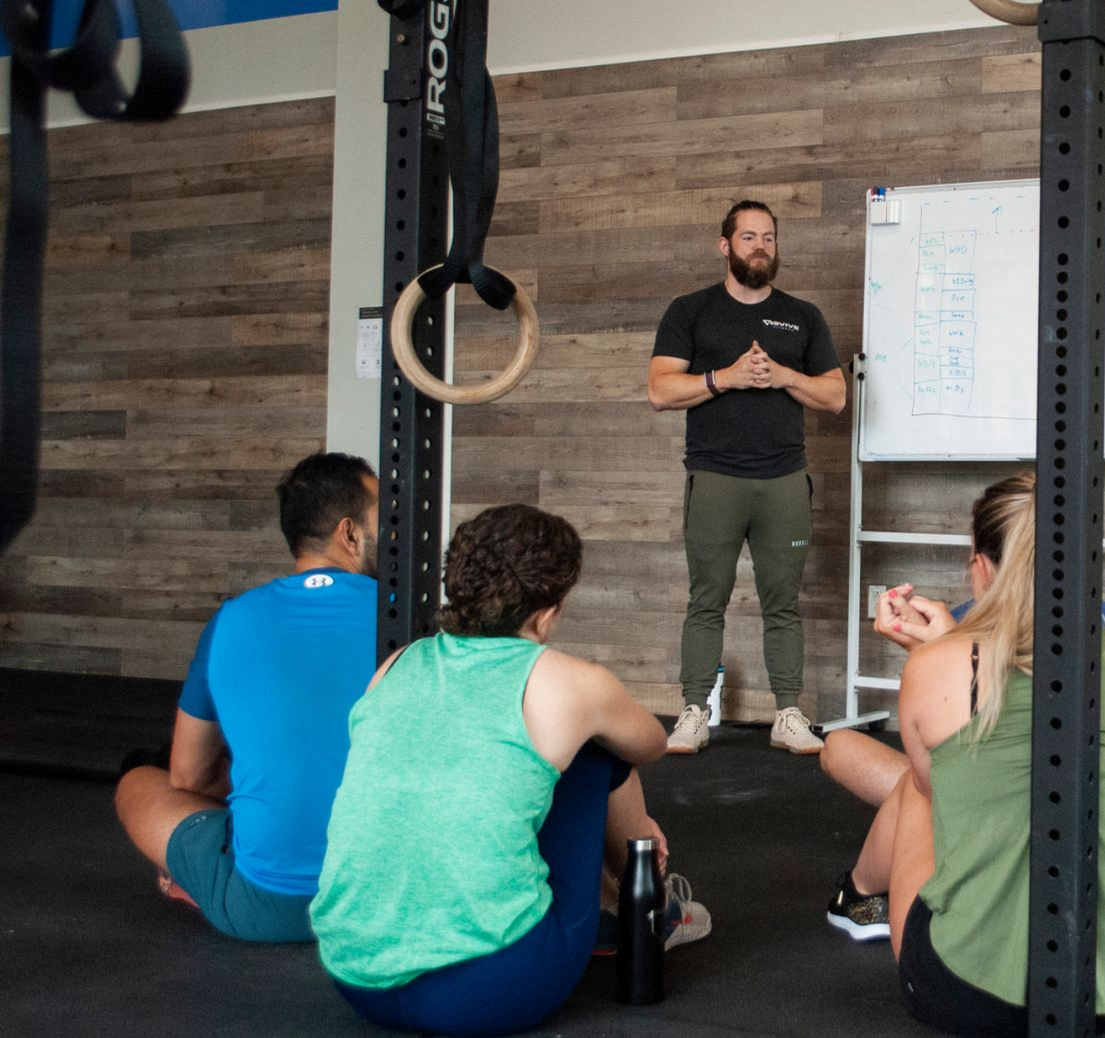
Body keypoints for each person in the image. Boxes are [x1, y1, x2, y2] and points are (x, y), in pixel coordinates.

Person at [817, 475, 1105, 1033]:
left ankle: (856, 897)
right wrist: (952, 641)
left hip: (968, 993)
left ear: (981, 567)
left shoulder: (935, 668)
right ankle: (859, 894)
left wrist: (940, 649)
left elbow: (932, 790)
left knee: (918, 792)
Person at [311, 504, 710, 1037]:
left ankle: (628, 899)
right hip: (491, 991)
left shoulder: (397, 665)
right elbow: (651, 744)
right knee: (598, 751)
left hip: (356, 978)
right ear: (545, 613)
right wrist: (640, 825)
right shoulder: (569, 681)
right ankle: (650, 910)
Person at [112, 452, 379, 942]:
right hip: (388, 903)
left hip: (270, 911)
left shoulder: (231, 619)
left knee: (139, 783)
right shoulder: (411, 624)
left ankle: (207, 873)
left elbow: (188, 776)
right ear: (350, 534)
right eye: (386, 519)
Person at [648, 199, 845, 756]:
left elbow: (834, 396)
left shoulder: (802, 315)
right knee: (706, 598)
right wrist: (727, 377)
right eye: (749, 237)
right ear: (725, 245)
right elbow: (661, 389)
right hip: (715, 477)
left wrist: (781, 374)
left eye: (770, 238)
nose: (761, 247)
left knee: (782, 602)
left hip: (783, 480)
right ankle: (693, 711)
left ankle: (788, 713)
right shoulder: (691, 311)